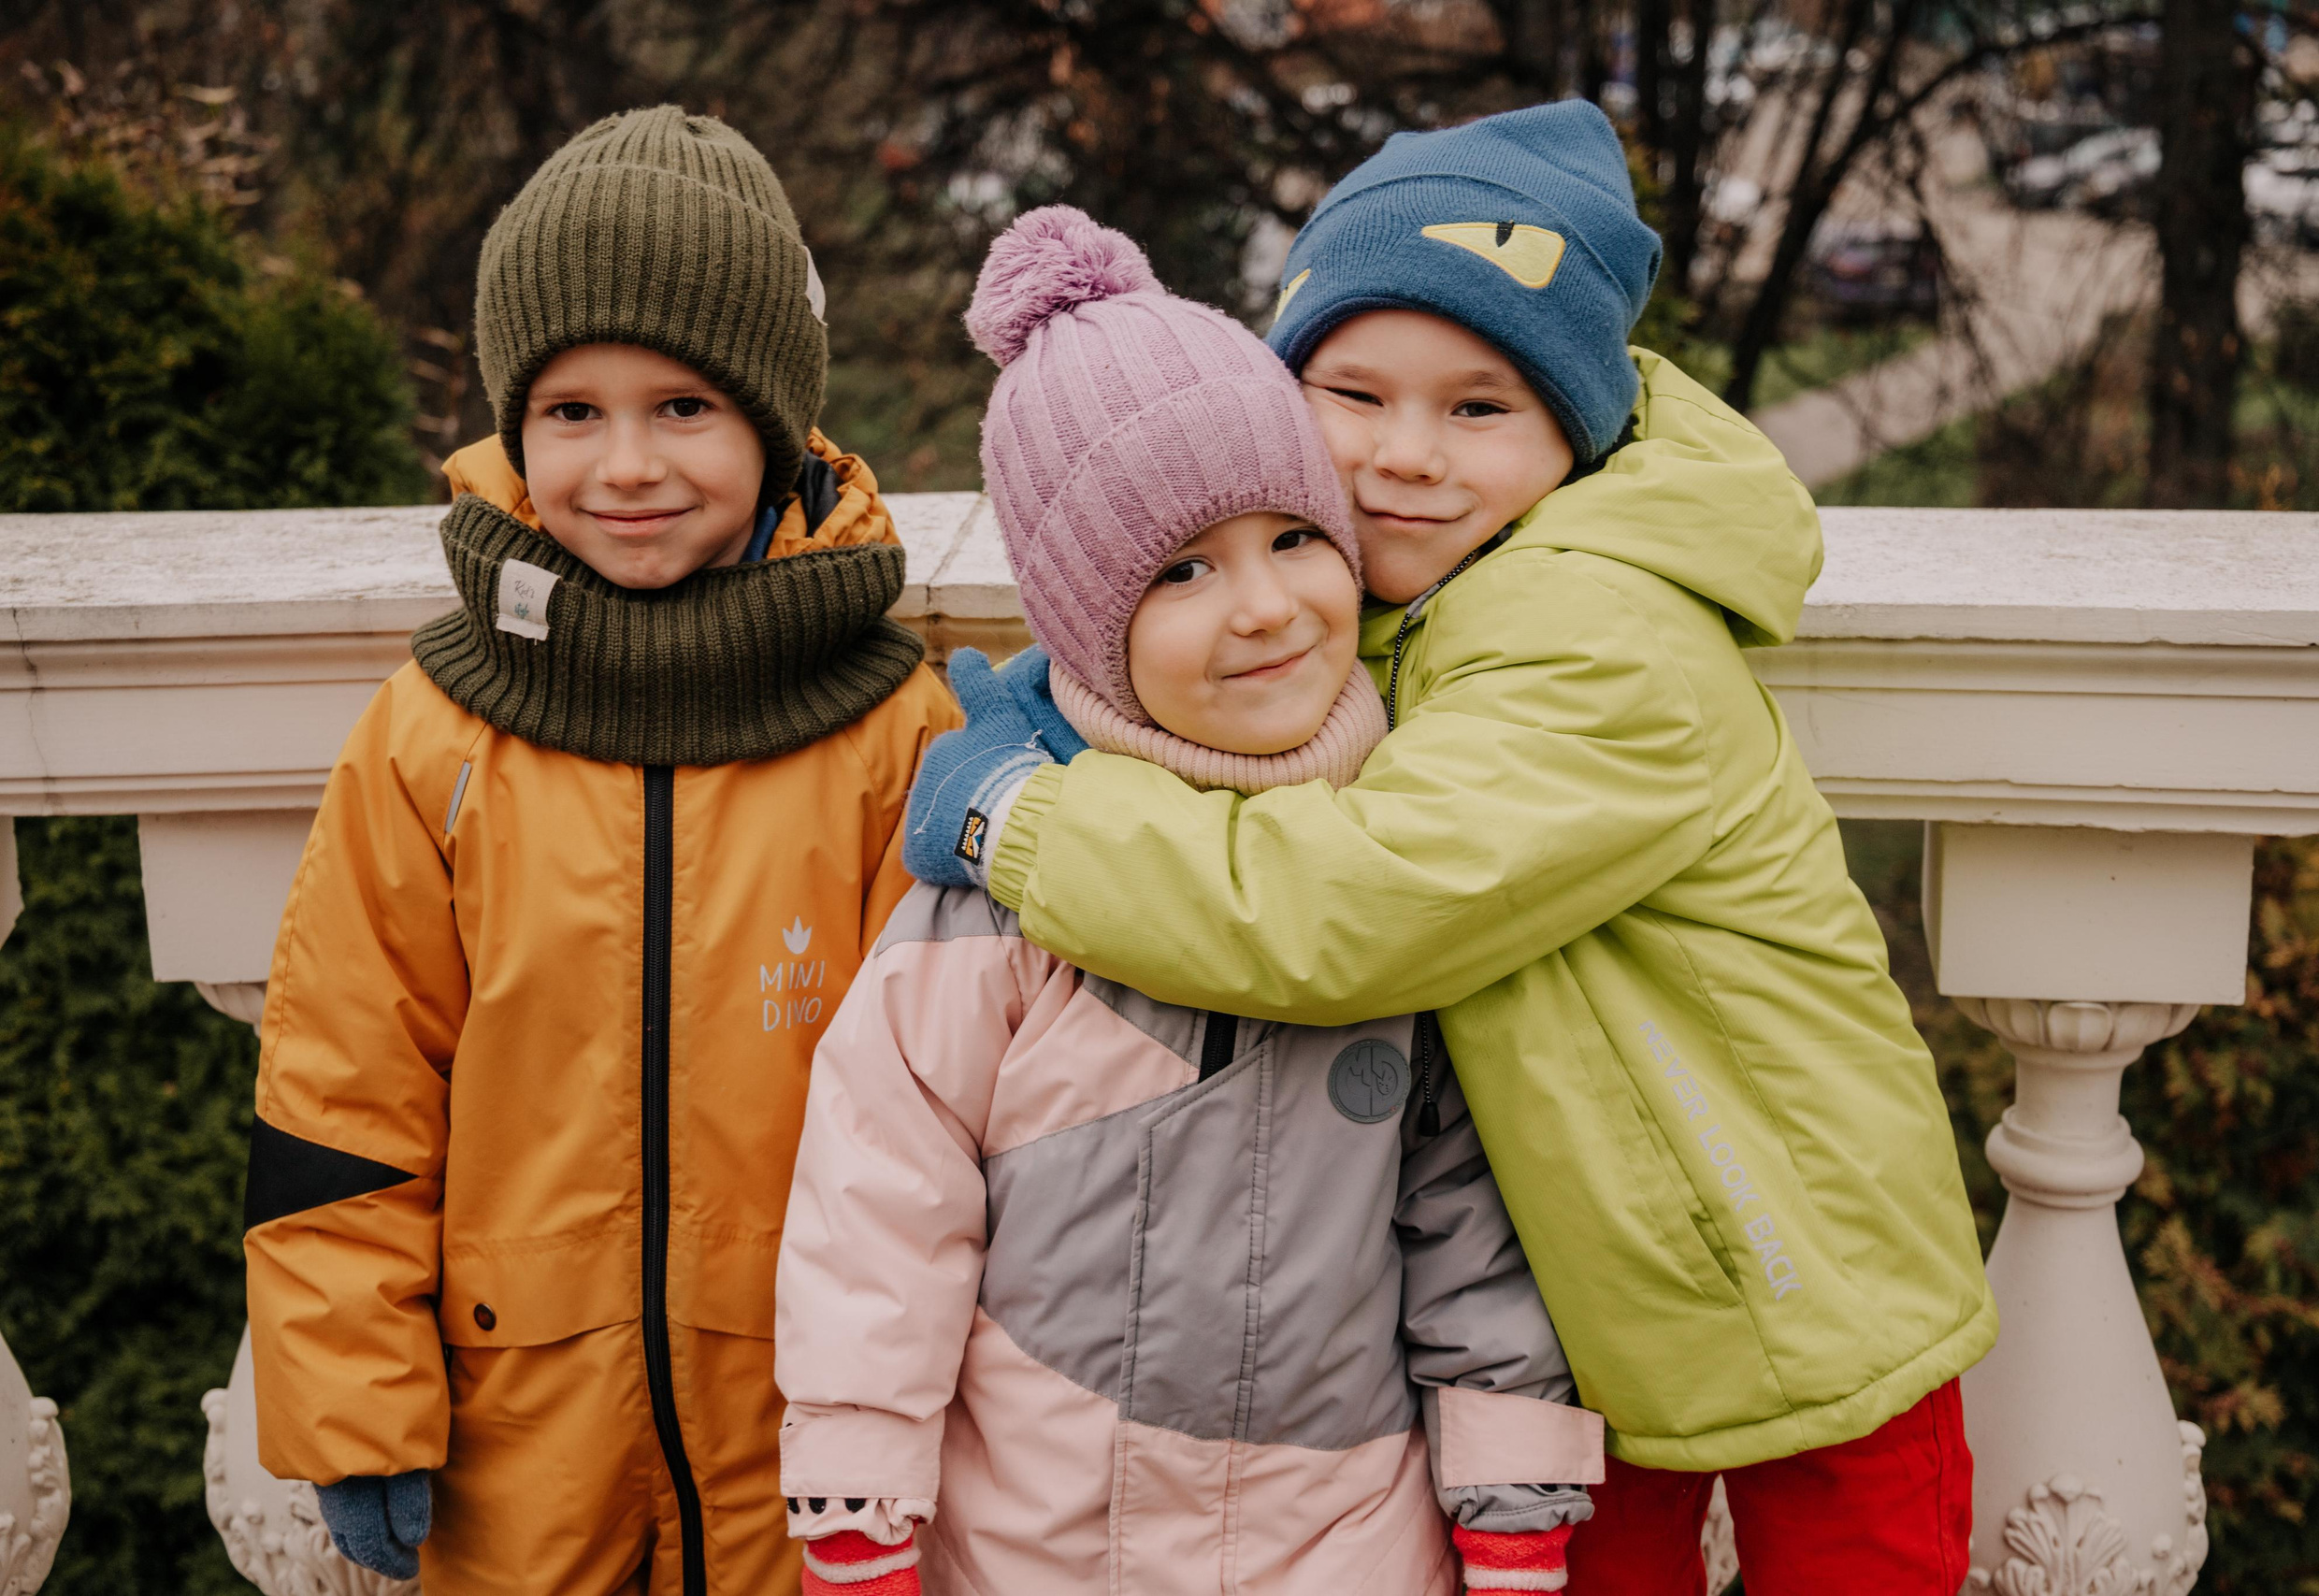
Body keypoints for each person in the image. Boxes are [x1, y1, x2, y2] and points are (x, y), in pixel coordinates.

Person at [905, 104, 1992, 1594]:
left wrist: (1025, 815)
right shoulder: (1398, 600)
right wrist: (1077, 698)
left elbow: (1345, 909)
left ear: (1576, 430)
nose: (1405, 457)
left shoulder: (1595, 635)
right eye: (1354, 393)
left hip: (1792, 1262)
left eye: (1480, 408)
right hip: (1586, 1304)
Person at [773, 207, 1607, 1596]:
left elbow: (1474, 1205)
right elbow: (882, 1201)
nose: (1266, 607)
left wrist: (1511, 1491)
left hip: (1341, 1539)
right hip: (1038, 1539)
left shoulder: (1398, 857)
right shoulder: (1001, 902)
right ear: (1087, 624)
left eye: (1296, 537)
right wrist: (861, 1500)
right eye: (1181, 570)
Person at [243, 106, 959, 1596]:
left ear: (773, 417)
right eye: (573, 411)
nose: (626, 464)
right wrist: (359, 1399)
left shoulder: (890, 731)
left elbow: (964, 1113)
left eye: (683, 405)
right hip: (516, 1444)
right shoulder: (434, 731)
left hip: (814, 1443)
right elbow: (345, 1086)